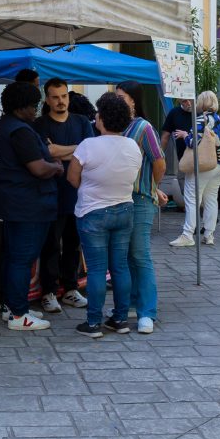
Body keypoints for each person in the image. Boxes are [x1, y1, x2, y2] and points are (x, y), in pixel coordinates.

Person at [66, 93, 142, 338]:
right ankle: (120, 318)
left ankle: (93, 323)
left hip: (93, 212)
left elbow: (72, 177)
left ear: (102, 118)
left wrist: (91, 189)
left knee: (97, 269)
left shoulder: (88, 145)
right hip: (124, 209)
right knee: (120, 267)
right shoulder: (133, 146)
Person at [0, 82, 63, 331]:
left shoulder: (4, 126)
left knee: (14, 256)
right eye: (34, 105)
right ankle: (20, 315)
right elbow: (39, 168)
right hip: (29, 205)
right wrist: (56, 167)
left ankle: (11, 307)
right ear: (22, 107)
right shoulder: (21, 131)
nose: (36, 110)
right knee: (22, 258)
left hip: (13, 202)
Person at [33, 78, 94, 313]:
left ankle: (70, 288)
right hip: (50, 195)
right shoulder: (40, 125)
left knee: (73, 245)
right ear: (47, 100)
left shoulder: (81, 121)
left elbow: (89, 151)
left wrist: (61, 150)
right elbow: (48, 153)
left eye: (64, 96)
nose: (61, 101)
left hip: (79, 195)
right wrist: (76, 148)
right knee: (50, 246)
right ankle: (48, 291)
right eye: (55, 97)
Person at [114, 81, 164, 334]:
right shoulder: (113, 127)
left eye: (121, 96)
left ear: (134, 100)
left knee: (140, 254)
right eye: (116, 96)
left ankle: (147, 312)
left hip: (140, 198)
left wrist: (152, 187)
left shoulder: (143, 128)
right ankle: (133, 302)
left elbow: (159, 162)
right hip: (117, 199)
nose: (118, 100)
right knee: (126, 255)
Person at [169, 91, 220, 247]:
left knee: (191, 198)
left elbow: (193, 142)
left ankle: (187, 234)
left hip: (204, 165)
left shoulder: (201, 118)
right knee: (211, 199)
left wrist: (185, 135)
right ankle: (209, 235)